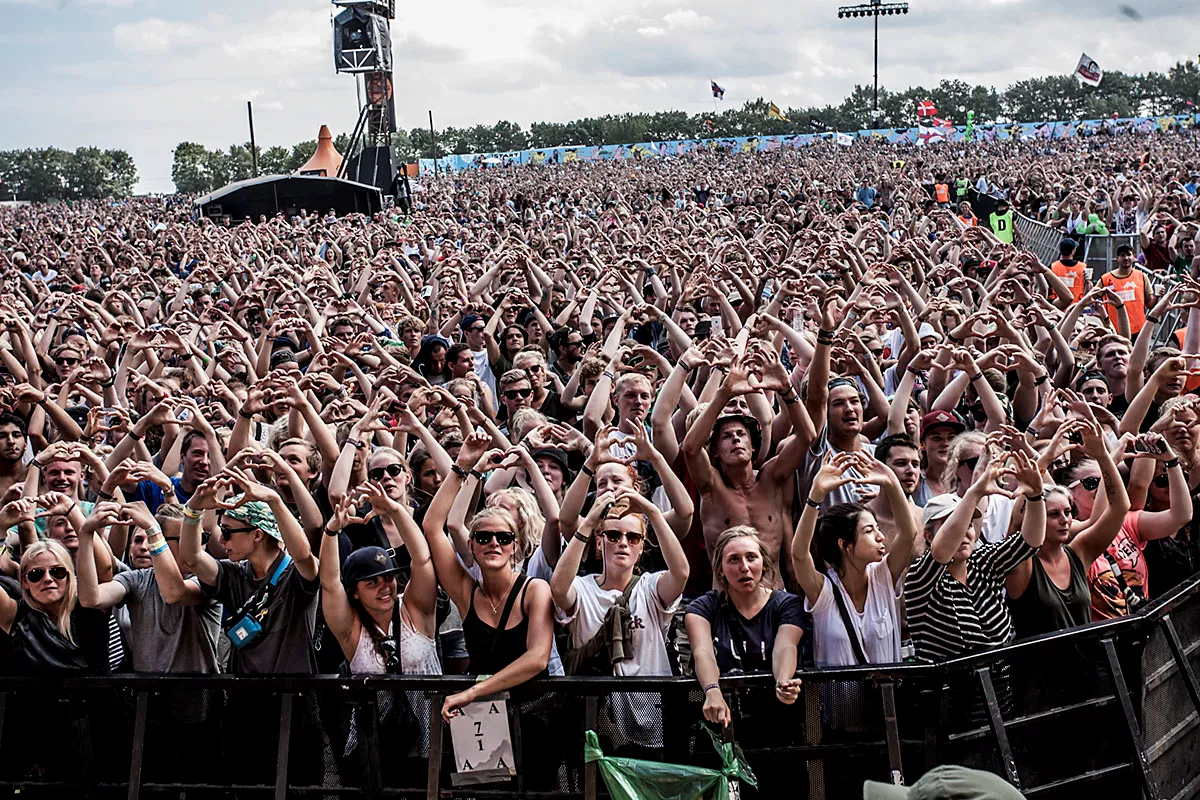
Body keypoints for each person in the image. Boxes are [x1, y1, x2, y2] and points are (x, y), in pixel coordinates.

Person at [791, 451, 918, 666]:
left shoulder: (882, 577)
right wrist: (816, 496)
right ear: (845, 544)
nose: (881, 536)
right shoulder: (824, 591)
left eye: (878, 528)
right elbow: (799, 553)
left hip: (887, 699)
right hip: (839, 700)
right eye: (869, 530)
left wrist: (891, 484)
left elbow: (908, 534)